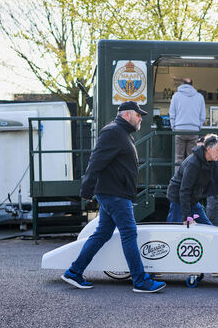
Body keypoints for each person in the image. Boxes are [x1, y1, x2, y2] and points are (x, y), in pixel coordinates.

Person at [61, 101, 166, 293]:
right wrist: (86, 190)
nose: (141, 117)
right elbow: (96, 161)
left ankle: (74, 272)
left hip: (115, 192)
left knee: (103, 233)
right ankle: (140, 281)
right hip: (114, 194)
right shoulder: (113, 132)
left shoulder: (122, 133)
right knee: (129, 233)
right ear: (127, 115)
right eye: (138, 114)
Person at [166, 134, 218, 225]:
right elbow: (184, 190)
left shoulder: (210, 162)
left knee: (208, 227)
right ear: (209, 149)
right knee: (174, 229)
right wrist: (187, 217)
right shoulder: (193, 163)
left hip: (192, 200)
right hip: (179, 198)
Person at [168, 77, 206, 170]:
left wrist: (174, 127)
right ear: (192, 85)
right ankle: (190, 180)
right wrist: (198, 127)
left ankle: (177, 181)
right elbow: (203, 116)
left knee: (178, 157)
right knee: (192, 157)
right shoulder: (199, 96)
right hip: (194, 130)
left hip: (179, 129)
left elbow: (172, 113)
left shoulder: (176, 96)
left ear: (182, 84)